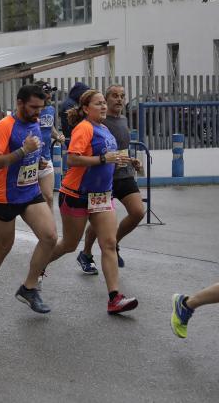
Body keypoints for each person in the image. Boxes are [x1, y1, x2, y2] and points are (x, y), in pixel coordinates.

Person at [47, 90, 139, 314]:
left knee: (108, 244)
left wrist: (127, 160)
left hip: (102, 195)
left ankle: (114, 298)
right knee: (69, 244)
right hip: (77, 193)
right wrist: (102, 159)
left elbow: (110, 157)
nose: (104, 107)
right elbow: (73, 158)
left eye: (103, 104)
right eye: (98, 104)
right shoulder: (84, 128)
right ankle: (38, 266)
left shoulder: (105, 129)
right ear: (86, 108)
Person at [0, 84, 58, 315]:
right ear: (20, 103)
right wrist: (22, 151)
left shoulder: (35, 122)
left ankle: (29, 287)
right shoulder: (5, 126)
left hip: (29, 192)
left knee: (50, 237)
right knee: (3, 246)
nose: (37, 112)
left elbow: (32, 152)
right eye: (33, 107)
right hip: (5, 195)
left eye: (41, 107)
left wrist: (35, 160)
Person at [78, 84, 146, 272]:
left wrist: (132, 160)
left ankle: (113, 242)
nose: (119, 99)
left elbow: (119, 148)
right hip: (102, 177)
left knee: (138, 212)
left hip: (124, 174)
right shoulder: (99, 120)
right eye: (114, 96)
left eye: (122, 96)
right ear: (106, 101)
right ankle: (86, 253)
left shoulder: (123, 120)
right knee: (99, 222)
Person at [36, 81, 65, 208]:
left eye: (50, 92)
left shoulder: (51, 109)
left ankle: (49, 227)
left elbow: (50, 128)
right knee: (31, 198)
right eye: (46, 92)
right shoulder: (31, 111)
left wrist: (58, 136)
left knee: (48, 197)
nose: (49, 95)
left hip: (46, 158)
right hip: (29, 160)